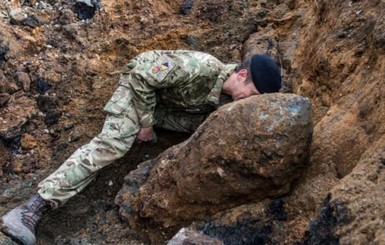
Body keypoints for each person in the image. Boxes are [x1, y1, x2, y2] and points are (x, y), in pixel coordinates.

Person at [0, 50, 281, 245]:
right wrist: (146, 124)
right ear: (241, 74)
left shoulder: (224, 102)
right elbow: (142, 78)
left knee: (203, 128)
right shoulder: (200, 67)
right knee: (114, 144)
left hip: (165, 103)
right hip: (138, 86)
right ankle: (30, 209)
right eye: (252, 94)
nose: (246, 103)